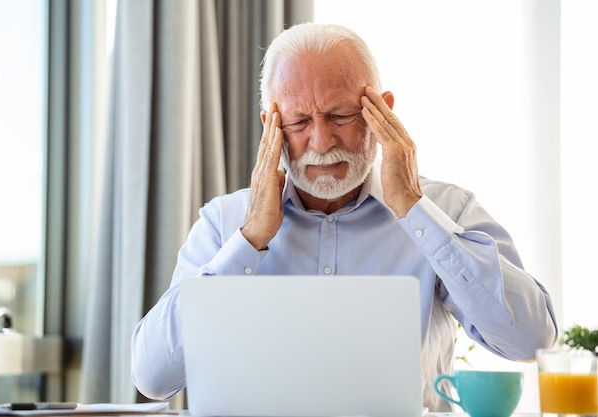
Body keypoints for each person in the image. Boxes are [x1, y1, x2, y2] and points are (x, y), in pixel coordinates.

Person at [131, 22, 557, 411]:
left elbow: (530, 340)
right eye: (298, 121)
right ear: (270, 127)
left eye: (340, 115)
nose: (321, 141)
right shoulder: (224, 222)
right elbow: (152, 377)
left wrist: (413, 210)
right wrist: (249, 240)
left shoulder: (447, 210)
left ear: (383, 111)